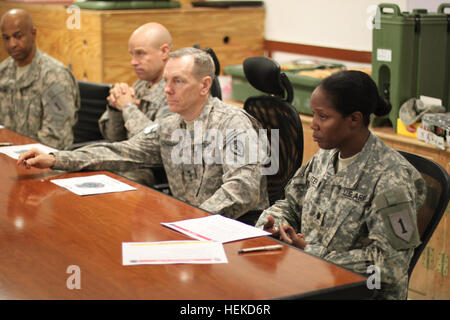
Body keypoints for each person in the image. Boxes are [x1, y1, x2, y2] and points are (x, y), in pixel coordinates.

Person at [18, 47, 269, 220]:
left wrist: (192, 221)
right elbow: (123, 151)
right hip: (189, 227)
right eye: (166, 81)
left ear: (205, 85)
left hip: (232, 231)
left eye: (178, 81)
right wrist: (56, 158)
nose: (167, 90)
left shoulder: (234, 124)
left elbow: (242, 191)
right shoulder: (172, 125)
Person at [255, 70, 426, 300]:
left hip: (358, 293)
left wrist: (310, 251)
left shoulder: (392, 179)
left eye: (323, 116)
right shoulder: (325, 157)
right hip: (310, 279)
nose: (313, 124)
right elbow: (291, 204)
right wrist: (274, 224)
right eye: (314, 115)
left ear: (354, 119)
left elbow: (390, 265)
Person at [98, 22, 172, 186]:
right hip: (130, 161)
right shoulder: (142, 84)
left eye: (140, 54)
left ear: (164, 51)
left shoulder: (174, 90)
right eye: (132, 54)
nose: (133, 62)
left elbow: (155, 146)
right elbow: (113, 138)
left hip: (156, 172)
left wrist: (128, 107)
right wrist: (115, 108)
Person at [0, 9, 80, 149]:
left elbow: (57, 139)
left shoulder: (54, 76)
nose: (12, 44)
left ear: (33, 33)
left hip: (44, 160)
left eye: (18, 36)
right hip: (9, 155)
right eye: (6, 38)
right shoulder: (3, 71)